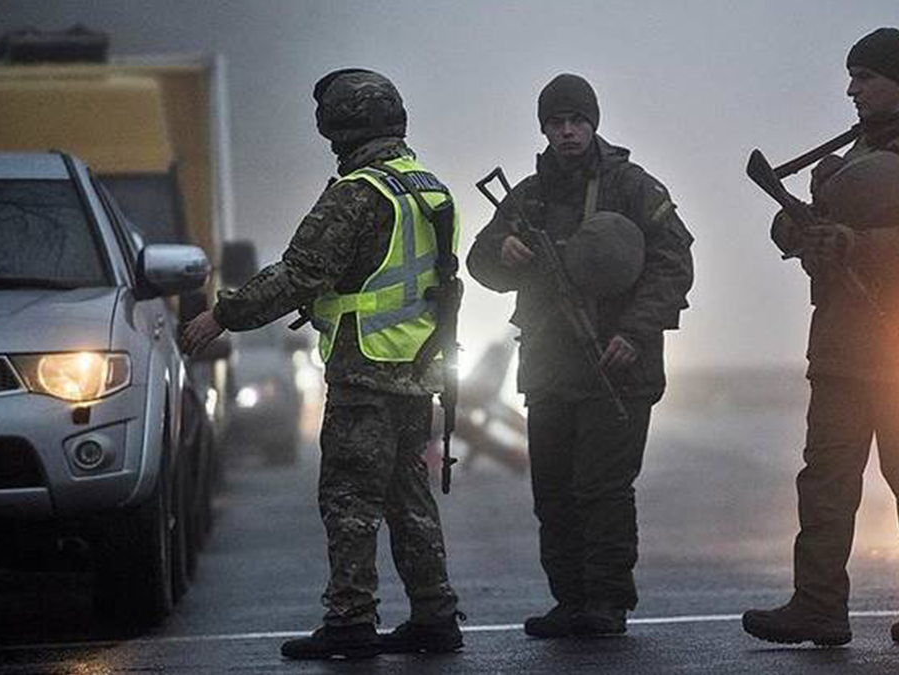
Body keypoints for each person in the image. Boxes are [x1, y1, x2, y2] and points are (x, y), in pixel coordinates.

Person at [180, 68, 462, 660]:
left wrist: (222, 315)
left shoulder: (357, 193)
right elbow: (396, 278)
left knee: (349, 500)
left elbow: (299, 273)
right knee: (409, 496)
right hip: (417, 369)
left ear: (338, 125)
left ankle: (350, 623)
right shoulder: (430, 187)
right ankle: (435, 616)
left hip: (364, 372)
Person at [742, 27, 899, 646]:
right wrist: (799, 230)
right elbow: (827, 232)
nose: (852, 88)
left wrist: (854, 243)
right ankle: (818, 606)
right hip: (842, 346)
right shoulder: (852, 158)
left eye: (865, 77)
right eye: (851, 76)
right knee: (825, 480)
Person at [466, 73, 694, 638]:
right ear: (544, 129)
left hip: (618, 365)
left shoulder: (632, 187)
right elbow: (478, 261)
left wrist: (635, 332)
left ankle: (607, 604)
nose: (567, 132)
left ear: (593, 123)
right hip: (549, 366)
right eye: (557, 123)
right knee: (554, 491)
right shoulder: (529, 194)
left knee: (603, 489)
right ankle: (570, 601)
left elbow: (674, 262)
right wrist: (505, 252)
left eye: (576, 121)